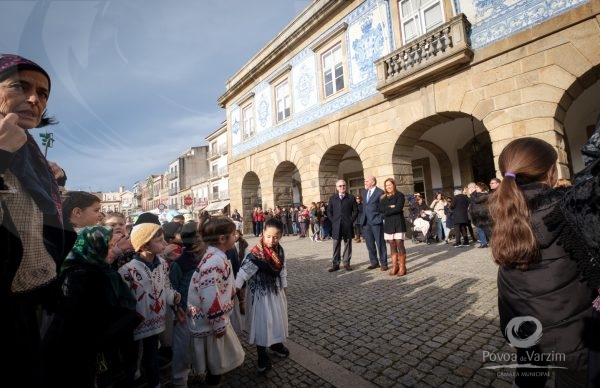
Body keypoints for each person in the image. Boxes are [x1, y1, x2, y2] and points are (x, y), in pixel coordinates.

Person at [488, 137, 595, 388]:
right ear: (551, 172)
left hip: (519, 318)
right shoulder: (570, 207)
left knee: (528, 374)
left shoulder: (501, 209)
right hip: (568, 328)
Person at [0, 53, 70, 386]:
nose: (34, 99)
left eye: (42, 93)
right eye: (19, 86)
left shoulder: (29, 153)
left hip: (34, 302)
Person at [42, 226, 141, 388]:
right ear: (94, 249)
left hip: (98, 348)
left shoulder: (100, 269)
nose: (113, 251)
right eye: (108, 247)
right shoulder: (82, 276)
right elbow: (86, 321)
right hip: (81, 351)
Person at [118, 223, 181, 388]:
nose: (165, 244)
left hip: (155, 323)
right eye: (159, 241)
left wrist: (173, 297)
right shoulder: (127, 271)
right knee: (132, 360)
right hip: (135, 325)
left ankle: (155, 384)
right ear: (144, 245)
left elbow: (165, 287)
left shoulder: (163, 264)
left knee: (151, 357)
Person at [187, 217, 245, 386]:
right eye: (233, 234)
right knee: (216, 364)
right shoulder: (213, 261)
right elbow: (209, 295)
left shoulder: (217, 257)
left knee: (218, 363)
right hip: (210, 323)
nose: (237, 236)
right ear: (222, 239)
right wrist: (218, 323)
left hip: (213, 320)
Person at [235, 218, 289, 373]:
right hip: (260, 296)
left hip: (275, 292)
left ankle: (276, 343)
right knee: (263, 322)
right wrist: (234, 291)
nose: (272, 240)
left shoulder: (280, 250)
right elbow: (242, 274)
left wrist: (284, 285)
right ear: (263, 233)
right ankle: (261, 354)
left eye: (276, 237)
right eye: (268, 236)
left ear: (281, 236)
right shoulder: (255, 254)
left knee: (277, 319)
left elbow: (283, 268)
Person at [169, 222, 207, 387]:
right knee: (182, 350)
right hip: (184, 313)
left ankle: (200, 372)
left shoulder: (206, 259)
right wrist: (177, 310)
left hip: (202, 311)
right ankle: (180, 381)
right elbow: (173, 288)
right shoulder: (179, 263)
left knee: (200, 346)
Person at [326, 180, 358, 272]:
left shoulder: (351, 198)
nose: (342, 187)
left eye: (344, 185)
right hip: (336, 225)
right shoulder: (333, 198)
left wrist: (350, 221)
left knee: (347, 244)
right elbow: (329, 211)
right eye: (340, 186)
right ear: (337, 188)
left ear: (346, 186)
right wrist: (333, 221)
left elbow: (355, 211)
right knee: (336, 245)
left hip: (347, 225)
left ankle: (346, 263)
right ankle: (335, 264)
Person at [379, 178, 408, 276]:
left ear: (394, 185)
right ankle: (395, 266)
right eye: (386, 185)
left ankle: (402, 267)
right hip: (388, 224)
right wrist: (390, 207)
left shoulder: (400, 195)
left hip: (398, 223)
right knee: (391, 244)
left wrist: (389, 209)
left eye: (390, 185)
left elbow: (398, 208)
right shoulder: (383, 198)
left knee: (399, 244)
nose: (388, 187)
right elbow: (380, 209)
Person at [359, 175, 388, 270]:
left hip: (376, 222)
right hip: (366, 222)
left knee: (380, 243)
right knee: (369, 244)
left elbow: (384, 208)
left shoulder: (380, 192)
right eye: (365, 181)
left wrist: (379, 218)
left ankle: (384, 263)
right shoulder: (364, 192)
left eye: (367, 181)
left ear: (373, 182)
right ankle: (374, 262)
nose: (365, 183)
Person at [468, 182, 492, 248]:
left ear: (481, 188)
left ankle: (492, 242)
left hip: (483, 215)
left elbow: (477, 200)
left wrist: (471, 194)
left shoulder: (485, 194)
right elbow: (472, 201)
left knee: (488, 230)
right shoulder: (476, 194)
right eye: (475, 187)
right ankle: (483, 242)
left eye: (477, 187)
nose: (476, 189)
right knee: (480, 230)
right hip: (477, 215)